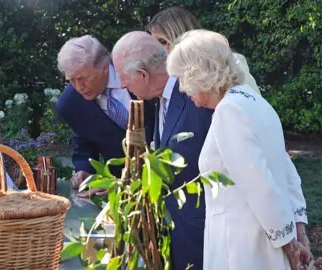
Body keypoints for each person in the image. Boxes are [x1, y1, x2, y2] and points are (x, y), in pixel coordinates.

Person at [166, 29, 310, 270]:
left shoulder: (228, 111)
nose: (181, 88)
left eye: (182, 78)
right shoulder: (258, 103)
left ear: (198, 74)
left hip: (240, 248)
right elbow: (287, 173)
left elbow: (259, 185)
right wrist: (298, 230)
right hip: (263, 243)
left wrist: (291, 247)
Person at [112, 31, 213, 270]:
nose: (123, 85)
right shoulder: (157, 100)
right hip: (176, 231)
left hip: (201, 234)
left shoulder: (195, 94)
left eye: (124, 77)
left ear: (144, 75)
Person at [56, 35, 155, 196]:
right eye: (71, 80)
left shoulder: (138, 72)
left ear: (104, 67)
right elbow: (83, 143)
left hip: (168, 172)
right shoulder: (70, 103)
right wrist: (84, 171)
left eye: (83, 78)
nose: (78, 87)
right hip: (122, 190)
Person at [146, 6, 260, 95]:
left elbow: (252, 105)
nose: (159, 50)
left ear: (180, 35)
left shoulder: (229, 62)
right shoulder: (170, 75)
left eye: (163, 41)